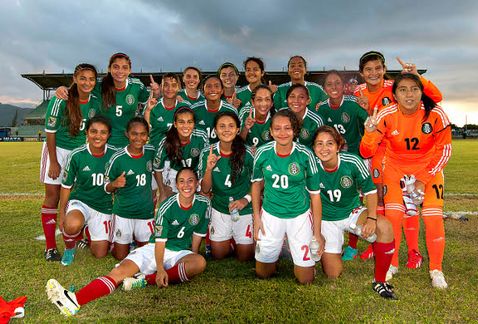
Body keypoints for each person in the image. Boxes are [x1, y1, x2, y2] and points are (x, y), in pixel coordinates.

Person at [46, 167, 209, 317]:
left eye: (190, 181)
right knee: (118, 274)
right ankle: (75, 300)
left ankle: (143, 280)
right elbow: (160, 242)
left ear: (197, 183)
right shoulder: (167, 206)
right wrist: (160, 269)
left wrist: (191, 256)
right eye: (182, 181)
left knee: (199, 262)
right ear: (176, 184)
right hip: (155, 249)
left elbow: (197, 235)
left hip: (179, 252)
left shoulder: (203, 204)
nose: (186, 185)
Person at [346, 51, 443, 262]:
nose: (374, 73)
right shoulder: (357, 92)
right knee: (378, 197)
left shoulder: (395, 86)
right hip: (373, 147)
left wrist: (418, 76)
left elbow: (435, 98)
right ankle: (380, 241)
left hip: (394, 151)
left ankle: (413, 250)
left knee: (406, 200)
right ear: (362, 73)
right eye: (368, 69)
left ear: (384, 69)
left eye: (378, 68)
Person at [360, 73, 452, 288]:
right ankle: (392, 264)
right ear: (395, 94)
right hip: (395, 170)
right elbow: (366, 151)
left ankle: (436, 269)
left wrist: (423, 178)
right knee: (393, 217)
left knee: (432, 217)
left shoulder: (436, 114)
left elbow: (445, 150)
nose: (409, 94)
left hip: (428, 169)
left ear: (421, 92)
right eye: (403, 89)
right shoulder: (386, 114)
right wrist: (370, 132)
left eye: (414, 89)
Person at [313, 125, 397, 299]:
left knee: (385, 227)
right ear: (313, 147)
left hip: (352, 212)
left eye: (329, 143)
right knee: (332, 273)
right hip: (326, 220)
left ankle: (380, 281)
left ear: (338, 146)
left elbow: (371, 191)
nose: (324, 148)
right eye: (319, 144)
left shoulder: (352, 161)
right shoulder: (310, 165)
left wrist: (372, 218)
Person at [252, 109, 324, 284]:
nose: (282, 133)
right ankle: (280, 247)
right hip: (271, 213)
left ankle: (295, 246)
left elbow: (315, 196)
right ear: (270, 131)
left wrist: (317, 233)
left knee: (305, 279)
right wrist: (256, 218)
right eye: (277, 128)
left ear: (295, 130)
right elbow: (255, 184)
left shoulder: (305, 154)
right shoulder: (262, 152)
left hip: (298, 214)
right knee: (263, 274)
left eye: (287, 128)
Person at [40, 63, 101, 261]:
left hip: (79, 153)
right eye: (83, 78)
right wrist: (54, 161)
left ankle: (80, 235)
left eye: (91, 79)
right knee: (52, 196)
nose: (87, 82)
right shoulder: (61, 99)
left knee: (77, 195)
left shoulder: (95, 101)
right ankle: (50, 247)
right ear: (74, 78)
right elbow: (50, 132)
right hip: (56, 149)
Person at [56, 53, 160, 148]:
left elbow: (151, 102)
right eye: (116, 67)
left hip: (128, 142)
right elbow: (83, 86)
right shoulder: (99, 85)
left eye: (124, 68)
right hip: (102, 143)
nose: (120, 71)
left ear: (129, 70)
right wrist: (64, 88)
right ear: (109, 69)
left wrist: (156, 91)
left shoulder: (137, 86)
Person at [59, 116, 117, 266]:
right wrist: (61, 214)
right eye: (93, 131)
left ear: (109, 135)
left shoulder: (115, 155)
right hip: (81, 201)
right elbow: (66, 187)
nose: (98, 136)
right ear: (86, 132)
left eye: (103, 132)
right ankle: (70, 248)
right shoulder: (77, 155)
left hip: (104, 206)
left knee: (100, 254)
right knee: (72, 225)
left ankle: (88, 232)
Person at [199, 112, 255, 261]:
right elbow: (205, 190)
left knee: (245, 257)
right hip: (220, 207)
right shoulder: (208, 153)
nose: (226, 130)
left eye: (231, 126)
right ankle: (228, 239)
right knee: (219, 255)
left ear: (238, 130)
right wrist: (208, 169)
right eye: (222, 126)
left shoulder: (247, 153)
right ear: (215, 130)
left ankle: (245, 238)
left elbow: (258, 181)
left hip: (243, 208)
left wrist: (246, 199)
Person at [104, 117, 156, 260]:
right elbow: (106, 188)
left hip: (145, 213)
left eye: (143, 134)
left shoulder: (151, 152)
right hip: (123, 213)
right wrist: (114, 184)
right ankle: (117, 242)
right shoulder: (118, 158)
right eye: (134, 134)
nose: (139, 138)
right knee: (120, 256)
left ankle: (134, 240)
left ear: (147, 135)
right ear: (127, 134)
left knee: (148, 255)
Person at [153, 106, 208, 202]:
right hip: (173, 173)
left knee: (200, 201)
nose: (186, 126)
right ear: (175, 124)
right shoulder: (166, 141)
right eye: (181, 122)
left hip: (195, 172)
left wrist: (202, 186)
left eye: (189, 122)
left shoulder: (201, 136)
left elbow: (206, 162)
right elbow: (157, 168)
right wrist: (162, 190)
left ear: (194, 124)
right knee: (169, 201)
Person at [316, 70, 368, 155]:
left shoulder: (354, 103)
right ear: (324, 89)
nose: (334, 87)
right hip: (333, 154)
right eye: (329, 84)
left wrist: (368, 109)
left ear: (344, 86)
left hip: (356, 153)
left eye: (337, 83)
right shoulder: (322, 108)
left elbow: (369, 123)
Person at [143, 73, 191, 149]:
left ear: (178, 88)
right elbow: (145, 131)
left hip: (177, 152)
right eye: (166, 85)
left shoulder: (185, 106)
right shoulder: (152, 106)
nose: (170, 88)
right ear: (161, 87)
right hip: (156, 152)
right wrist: (148, 111)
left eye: (174, 85)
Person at [191, 75, 237, 143]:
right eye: (209, 86)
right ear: (203, 91)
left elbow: (236, 137)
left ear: (222, 91)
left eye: (216, 86)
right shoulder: (194, 109)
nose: (212, 90)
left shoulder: (231, 111)